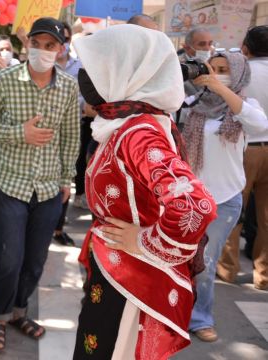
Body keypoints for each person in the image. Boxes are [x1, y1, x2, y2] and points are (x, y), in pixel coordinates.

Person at [71, 24, 218, 359]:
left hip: (132, 279)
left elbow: (195, 204)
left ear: (127, 72)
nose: (86, 77)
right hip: (117, 269)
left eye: (95, 68)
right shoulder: (129, 121)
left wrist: (143, 241)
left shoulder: (139, 132)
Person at [0, 17, 80, 352]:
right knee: (9, 259)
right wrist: (20, 133)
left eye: (51, 46)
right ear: (27, 44)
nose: (43, 51)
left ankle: (19, 312)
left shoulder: (68, 87)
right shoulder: (4, 80)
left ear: (60, 50)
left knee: (35, 260)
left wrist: (67, 179)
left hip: (49, 188)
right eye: (37, 44)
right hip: (10, 185)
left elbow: (70, 136)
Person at [182, 51, 268, 342]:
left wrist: (219, 88)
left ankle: (200, 319)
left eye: (224, 69)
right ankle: (174, 314)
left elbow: (259, 125)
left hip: (224, 199)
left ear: (238, 73)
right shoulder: (194, 104)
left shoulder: (245, 107)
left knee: (205, 262)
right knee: (179, 259)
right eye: (213, 68)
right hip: (189, 197)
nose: (217, 73)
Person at [218, 25, 268, 292]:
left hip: (246, 148)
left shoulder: (243, 73)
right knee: (266, 218)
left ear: (246, 48)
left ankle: (227, 269)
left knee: (233, 209)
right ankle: (264, 275)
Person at [53, 21, 83, 246]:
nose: (60, 44)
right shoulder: (40, 65)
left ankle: (58, 228)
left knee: (66, 176)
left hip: (74, 128)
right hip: (46, 131)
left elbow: (88, 98)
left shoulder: (80, 67)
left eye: (64, 39)